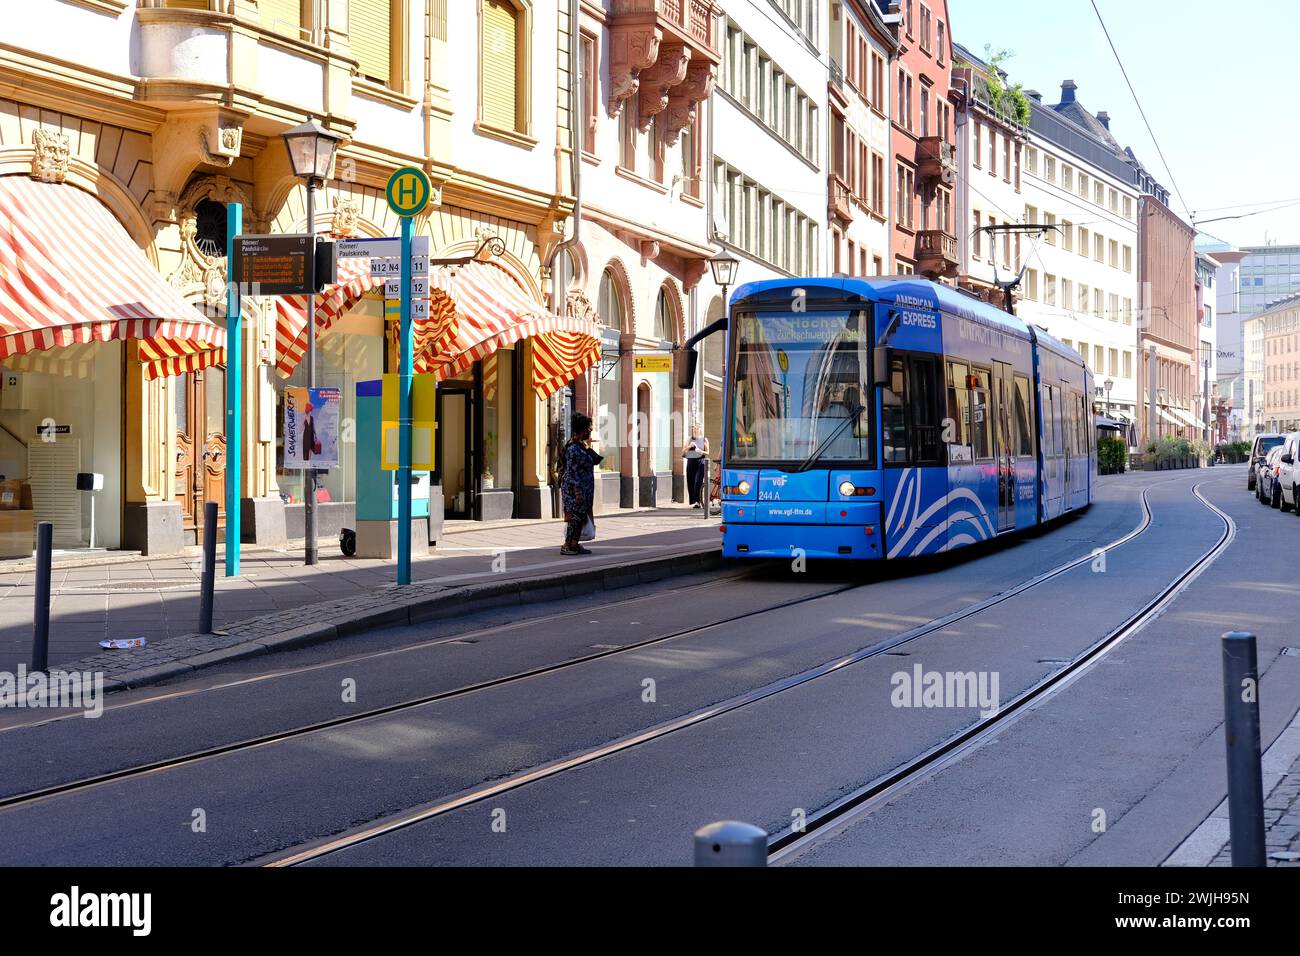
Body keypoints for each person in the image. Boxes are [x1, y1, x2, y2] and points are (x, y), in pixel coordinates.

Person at [560, 413, 598, 556]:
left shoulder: (581, 446)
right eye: (588, 429)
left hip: (584, 488)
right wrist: (577, 491)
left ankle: (575, 544)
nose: (590, 431)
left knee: (580, 516)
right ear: (582, 430)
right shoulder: (573, 448)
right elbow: (572, 471)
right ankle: (567, 545)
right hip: (575, 489)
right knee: (574, 518)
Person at [682, 424, 710, 508]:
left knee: (698, 481)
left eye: (697, 429)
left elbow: (707, 452)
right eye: (694, 429)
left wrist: (700, 450)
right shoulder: (689, 439)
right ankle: (694, 501)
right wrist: (689, 446)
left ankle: (698, 500)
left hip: (700, 461)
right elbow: (683, 451)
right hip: (691, 461)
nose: (695, 430)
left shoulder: (704, 439)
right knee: (691, 481)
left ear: (700, 430)